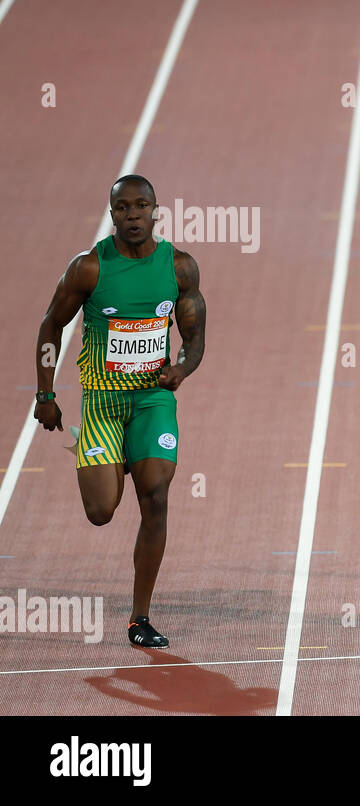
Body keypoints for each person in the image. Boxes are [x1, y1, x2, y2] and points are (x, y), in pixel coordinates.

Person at [34, 174, 207, 647]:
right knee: (101, 511)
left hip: (152, 399)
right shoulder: (90, 269)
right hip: (103, 403)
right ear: (112, 215)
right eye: (123, 209)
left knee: (156, 497)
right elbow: (51, 324)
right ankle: (120, 455)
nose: (133, 216)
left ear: (156, 210)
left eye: (141, 207)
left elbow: (194, 336)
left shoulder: (180, 268)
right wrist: (45, 395)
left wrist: (183, 369)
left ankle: (139, 618)